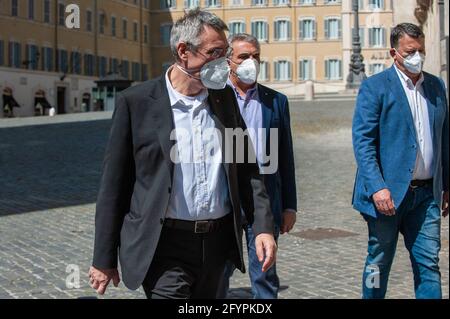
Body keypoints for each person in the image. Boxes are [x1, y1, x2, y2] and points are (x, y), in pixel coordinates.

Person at [89, 9, 277, 299]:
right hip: (163, 247)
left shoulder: (225, 99)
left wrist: (263, 227)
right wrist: (103, 258)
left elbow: (248, 169)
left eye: (225, 53)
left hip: (217, 245)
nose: (223, 63)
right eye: (214, 52)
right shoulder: (136, 103)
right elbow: (114, 185)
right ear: (183, 51)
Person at [352, 23, 449, 299]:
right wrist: (377, 187)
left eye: (420, 50)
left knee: (428, 264)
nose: (416, 56)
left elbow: (444, 137)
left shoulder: (436, 86)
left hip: (426, 195)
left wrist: (447, 183)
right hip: (387, 196)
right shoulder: (375, 87)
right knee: (378, 262)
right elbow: (363, 142)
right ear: (394, 52)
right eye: (410, 51)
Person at [217, 34, 297, 299]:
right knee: (218, 272)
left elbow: (285, 157)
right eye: (243, 57)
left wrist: (289, 205)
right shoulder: (215, 98)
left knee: (265, 272)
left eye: (256, 56)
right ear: (229, 61)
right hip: (226, 197)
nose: (251, 62)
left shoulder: (276, 101)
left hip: (265, 196)